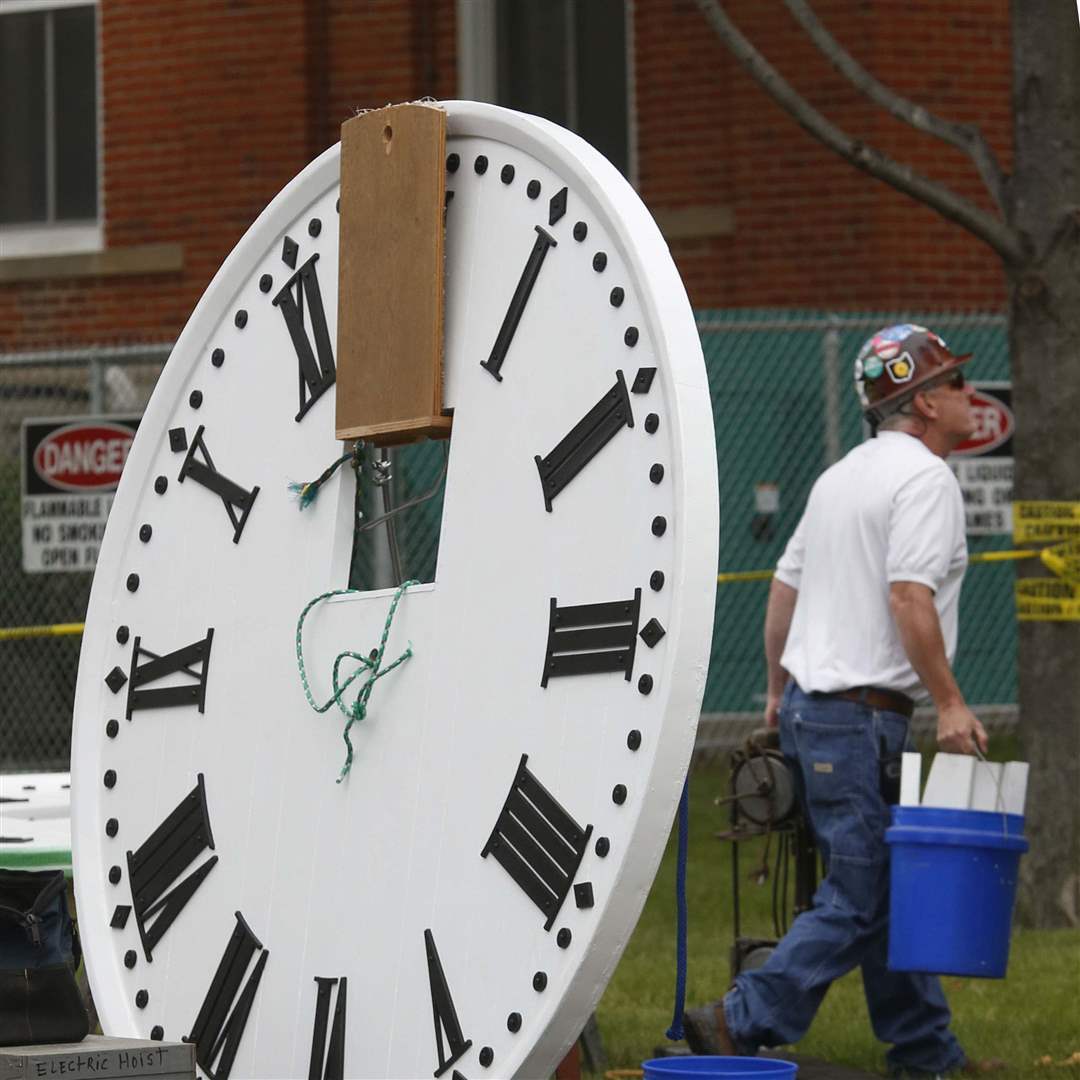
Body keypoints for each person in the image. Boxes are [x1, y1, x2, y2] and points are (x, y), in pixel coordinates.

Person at [684, 325, 1003, 1078]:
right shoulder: (925, 481)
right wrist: (950, 703)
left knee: (889, 889)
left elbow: (784, 589)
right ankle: (738, 1020)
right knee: (861, 893)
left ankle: (927, 1054)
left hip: (814, 707)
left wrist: (774, 690)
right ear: (924, 402)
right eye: (956, 383)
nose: (968, 395)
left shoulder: (840, 477)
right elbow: (909, 597)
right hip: (860, 717)